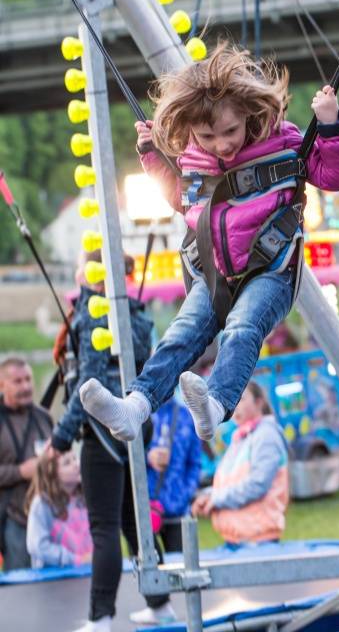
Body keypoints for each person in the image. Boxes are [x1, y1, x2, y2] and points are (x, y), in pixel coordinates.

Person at [80, 41, 339, 446]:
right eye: (208, 135)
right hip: (213, 272)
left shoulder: (283, 142)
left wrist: (332, 126)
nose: (222, 144)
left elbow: (337, 177)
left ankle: (215, 405)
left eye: (230, 130)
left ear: (248, 113)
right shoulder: (194, 159)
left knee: (243, 327)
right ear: (191, 129)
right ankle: (134, 405)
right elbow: (183, 200)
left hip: (272, 269)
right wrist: (153, 158)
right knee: (181, 333)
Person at [49, 250, 175, 632]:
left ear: (93, 276)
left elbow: (88, 388)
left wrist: (60, 437)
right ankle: (159, 602)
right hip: (135, 425)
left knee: (104, 526)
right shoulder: (137, 316)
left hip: (101, 432)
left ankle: (101, 616)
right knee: (132, 522)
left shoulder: (94, 315)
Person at [192, 381, 289, 546]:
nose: (235, 405)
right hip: (236, 539)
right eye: (233, 399)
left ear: (259, 403)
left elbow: (257, 485)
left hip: (258, 542)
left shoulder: (265, 435)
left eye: (241, 399)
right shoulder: (241, 437)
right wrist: (208, 495)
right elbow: (231, 482)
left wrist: (216, 499)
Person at [0, 356, 53, 571]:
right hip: (13, 518)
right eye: (18, 381)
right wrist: (21, 471)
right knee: (19, 589)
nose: (26, 386)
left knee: (57, 586)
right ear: (2, 385)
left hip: (49, 516)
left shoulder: (44, 418)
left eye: (28, 379)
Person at [146, 395, 201, 553]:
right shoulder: (140, 413)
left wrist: (185, 494)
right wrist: (148, 456)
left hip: (178, 511)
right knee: (146, 569)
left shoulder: (187, 416)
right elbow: (126, 456)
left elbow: (194, 463)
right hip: (145, 509)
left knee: (181, 567)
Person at [25, 450, 92, 568]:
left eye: (75, 459)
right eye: (67, 463)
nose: (76, 464)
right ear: (52, 473)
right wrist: (76, 560)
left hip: (88, 573)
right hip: (56, 580)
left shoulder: (84, 498)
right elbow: (37, 546)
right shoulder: (42, 504)